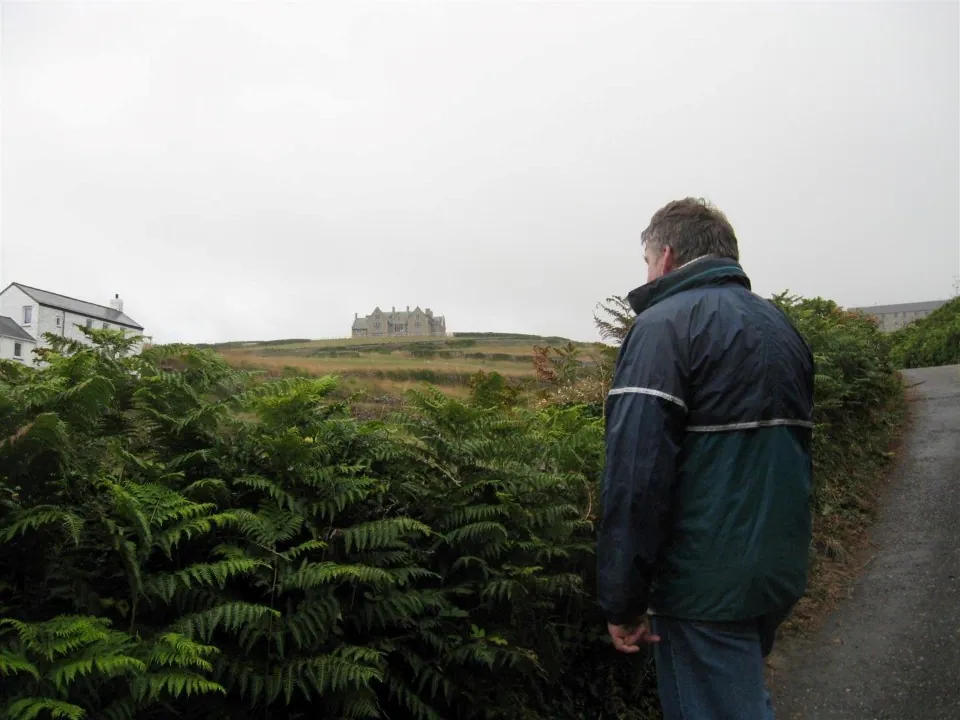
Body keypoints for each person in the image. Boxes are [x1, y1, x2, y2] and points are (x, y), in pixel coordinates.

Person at [597, 197, 815, 719]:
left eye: (647, 262)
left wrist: (623, 599)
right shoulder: (780, 328)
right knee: (740, 696)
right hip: (774, 568)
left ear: (666, 256)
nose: (648, 272)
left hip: (702, 583)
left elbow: (636, 476)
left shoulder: (663, 327)